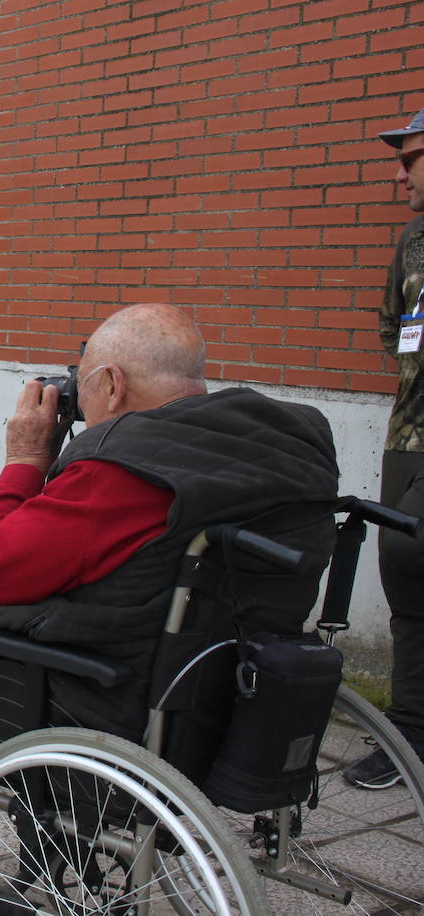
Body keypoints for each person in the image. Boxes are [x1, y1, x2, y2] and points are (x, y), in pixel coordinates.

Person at [0, 304, 339, 895]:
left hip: (84, 703)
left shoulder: (126, 468)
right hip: (219, 703)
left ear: (113, 384)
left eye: (85, 389)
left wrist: (25, 460)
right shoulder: (279, 454)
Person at [357, 106, 424, 789]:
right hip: (413, 440)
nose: (399, 171)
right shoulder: (412, 242)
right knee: (407, 576)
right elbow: (392, 327)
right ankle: (410, 738)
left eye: (411, 157)